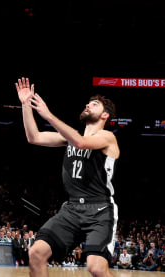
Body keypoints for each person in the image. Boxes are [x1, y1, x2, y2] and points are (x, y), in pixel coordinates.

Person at [15, 78, 119, 277]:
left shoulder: (108, 137)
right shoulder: (70, 138)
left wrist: (48, 115)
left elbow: (81, 142)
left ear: (105, 115)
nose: (88, 105)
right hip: (72, 209)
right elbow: (33, 137)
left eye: (94, 104)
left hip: (100, 210)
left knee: (96, 268)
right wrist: (26, 105)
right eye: (88, 103)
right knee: (36, 253)